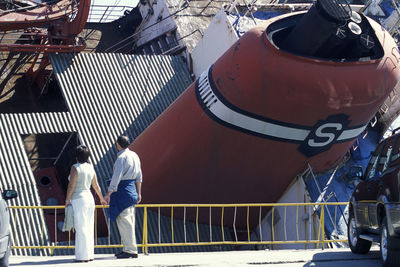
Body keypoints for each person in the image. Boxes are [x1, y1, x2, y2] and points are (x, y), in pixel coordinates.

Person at [65, 145, 107, 262]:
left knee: (80, 227)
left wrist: (67, 200)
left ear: (77, 156)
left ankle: (82, 256)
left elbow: (71, 185)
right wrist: (101, 198)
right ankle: (89, 255)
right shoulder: (90, 167)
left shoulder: (75, 167)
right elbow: (96, 185)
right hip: (89, 199)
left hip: (78, 199)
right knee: (89, 227)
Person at [104, 135, 142, 259]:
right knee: (130, 221)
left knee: (124, 222)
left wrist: (109, 193)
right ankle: (129, 248)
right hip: (132, 191)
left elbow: (116, 177)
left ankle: (130, 250)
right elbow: (139, 176)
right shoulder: (135, 155)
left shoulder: (121, 157)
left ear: (118, 144)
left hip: (122, 191)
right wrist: (139, 192)